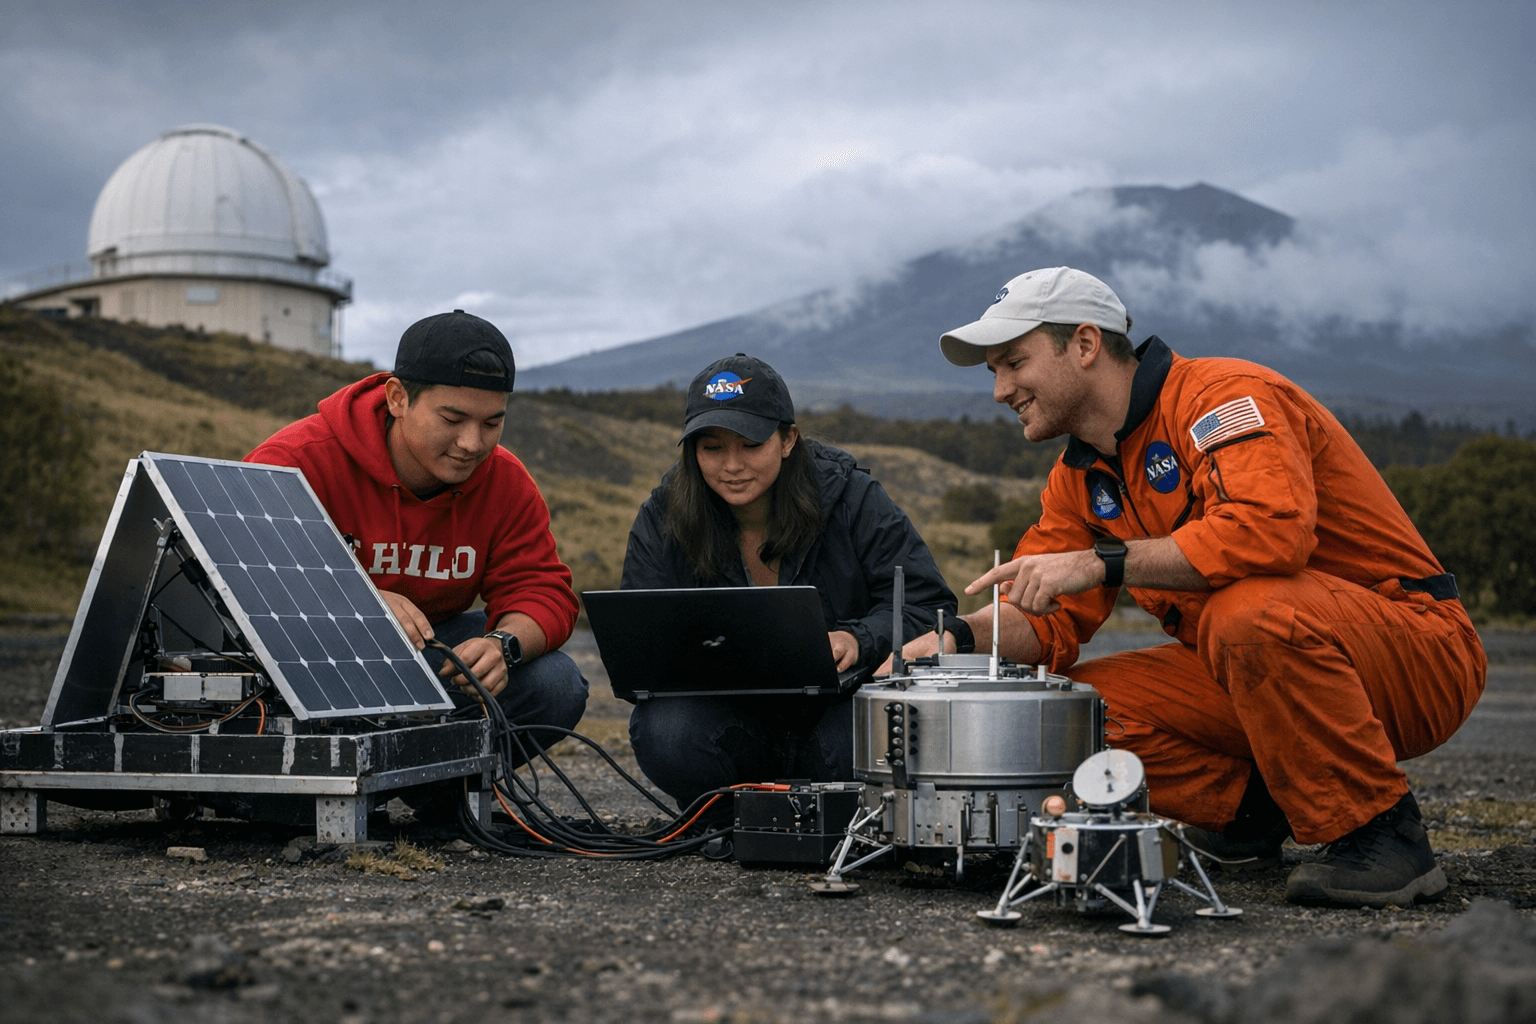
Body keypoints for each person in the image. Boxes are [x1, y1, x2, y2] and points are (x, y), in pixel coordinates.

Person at [892, 267, 1486, 908]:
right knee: (1072, 713)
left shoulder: (1223, 398)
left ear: (1085, 345)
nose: (1001, 389)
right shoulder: (1080, 476)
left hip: (1415, 652)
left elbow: (1269, 532)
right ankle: (1253, 814)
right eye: (994, 372)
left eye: (1014, 363)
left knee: (1247, 612)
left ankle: (1383, 835)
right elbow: (1047, 620)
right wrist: (957, 638)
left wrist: (1102, 562)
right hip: (1256, 673)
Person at [246, 309, 588, 772]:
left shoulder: (505, 480)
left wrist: (502, 645)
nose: (472, 443)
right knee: (281, 812)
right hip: (309, 666)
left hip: (430, 659)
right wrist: (354, 598)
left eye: (491, 423)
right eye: (453, 418)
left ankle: (439, 792)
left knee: (556, 681)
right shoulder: (295, 462)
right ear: (397, 398)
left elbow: (541, 588)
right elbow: (238, 581)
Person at [622, 353, 958, 819]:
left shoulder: (853, 498)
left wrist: (857, 640)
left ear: (787, 439)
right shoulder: (664, 515)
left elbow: (928, 605)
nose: (732, 465)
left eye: (750, 444)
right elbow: (639, 649)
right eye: (712, 448)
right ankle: (727, 814)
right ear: (691, 450)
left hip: (838, 720)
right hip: (727, 729)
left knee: (883, 730)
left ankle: (821, 816)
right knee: (664, 729)